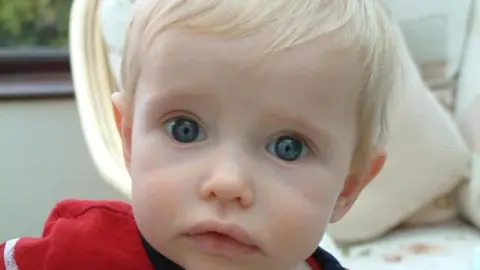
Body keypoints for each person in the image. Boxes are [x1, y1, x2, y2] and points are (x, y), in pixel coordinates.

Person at [1, 0, 400, 269]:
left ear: (347, 187)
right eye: (185, 129)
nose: (227, 183)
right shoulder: (81, 252)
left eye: (288, 148)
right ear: (128, 138)